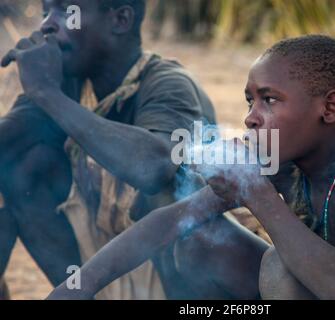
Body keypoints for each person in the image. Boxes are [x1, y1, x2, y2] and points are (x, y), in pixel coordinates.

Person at [47, 35, 335, 300]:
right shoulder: (280, 159)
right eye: (249, 101)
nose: (251, 118)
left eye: (269, 100)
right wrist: (79, 286)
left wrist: (257, 193)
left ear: (329, 108)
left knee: (280, 269)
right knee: (199, 238)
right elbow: (170, 221)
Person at [0, 0, 220, 299]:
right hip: (97, 278)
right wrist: (36, 90)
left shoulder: (169, 84)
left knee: (164, 193)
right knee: (20, 165)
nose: (46, 25)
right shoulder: (65, 82)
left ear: (120, 20)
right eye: (44, 12)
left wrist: (45, 93)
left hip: (176, 284)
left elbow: (153, 169)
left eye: (67, 12)